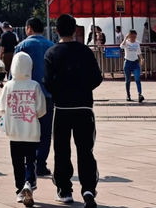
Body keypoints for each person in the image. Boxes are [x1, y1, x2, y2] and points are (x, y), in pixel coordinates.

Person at [44, 13, 102, 207]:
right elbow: (97, 78)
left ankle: (64, 189)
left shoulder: (51, 53)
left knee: (61, 150)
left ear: (57, 30)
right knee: (86, 150)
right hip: (84, 107)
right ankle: (88, 189)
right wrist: (83, 89)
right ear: (75, 29)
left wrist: (61, 91)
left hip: (61, 108)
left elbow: (48, 82)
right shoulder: (85, 52)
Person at [0, 51, 46, 206]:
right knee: (31, 160)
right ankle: (29, 183)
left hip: (14, 133)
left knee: (16, 162)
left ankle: (20, 189)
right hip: (31, 132)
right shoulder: (34, 86)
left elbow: (2, 107)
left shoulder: (9, 86)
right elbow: (41, 110)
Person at [15, 17, 54, 177]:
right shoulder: (51, 46)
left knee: (28, 130)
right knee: (45, 131)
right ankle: (41, 163)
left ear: (29, 28)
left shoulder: (22, 46)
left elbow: (15, 72)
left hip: (26, 95)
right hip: (47, 94)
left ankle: (29, 162)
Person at [120, 30, 144, 103]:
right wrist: (125, 38)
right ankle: (128, 95)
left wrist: (142, 59)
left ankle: (140, 94)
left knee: (137, 79)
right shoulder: (126, 42)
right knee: (128, 80)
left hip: (135, 63)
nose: (134, 38)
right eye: (132, 36)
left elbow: (139, 53)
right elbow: (121, 46)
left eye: (135, 36)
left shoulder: (137, 43)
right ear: (129, 36)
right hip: (127, 62)